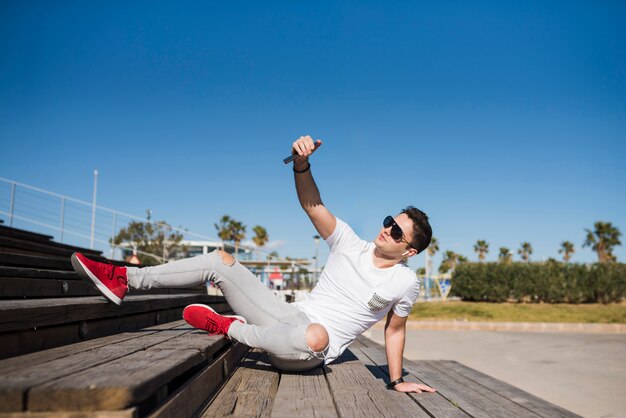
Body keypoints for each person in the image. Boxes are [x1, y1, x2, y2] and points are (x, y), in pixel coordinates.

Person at [71, 135, 436, 393]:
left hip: (309, 350)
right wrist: (302, 164)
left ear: (409, 253)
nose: (387, 229)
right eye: (390, 221)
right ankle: (123, 277)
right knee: (221, 260)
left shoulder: (404, 284)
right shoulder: (349, 243)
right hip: (284, 317)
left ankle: (228, 328)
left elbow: (394, 330)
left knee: (316, 336)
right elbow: (313, 204)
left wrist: (397, 379)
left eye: (398, 233)